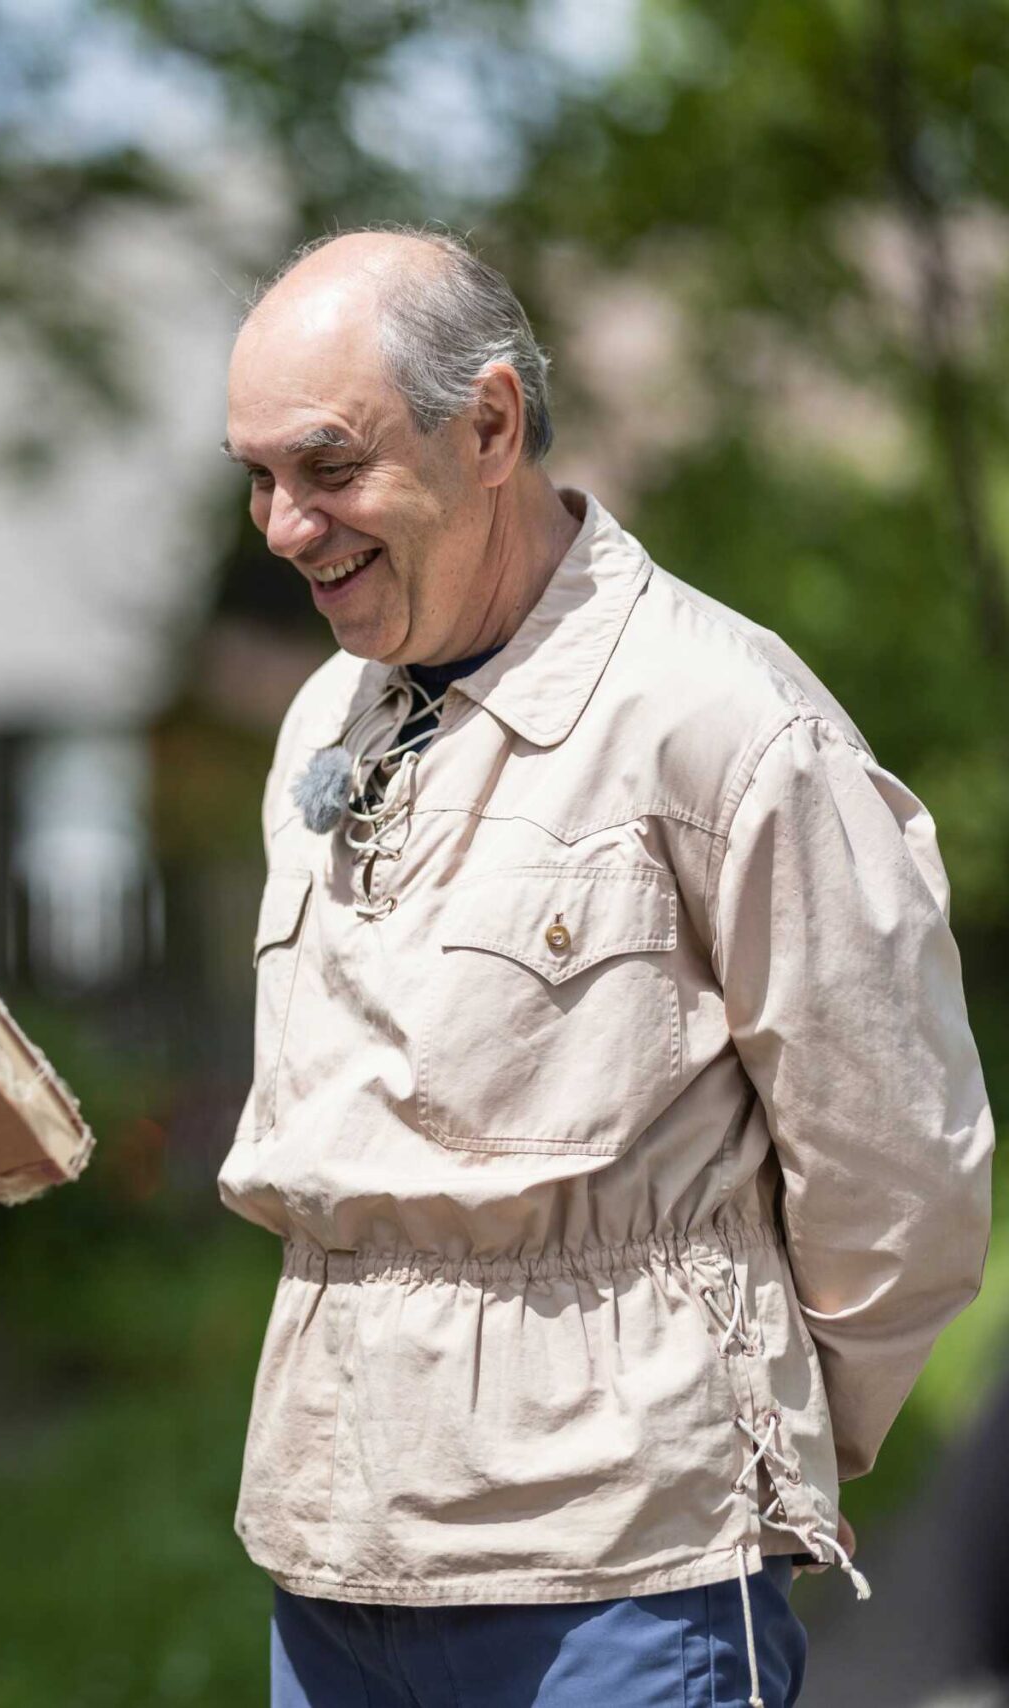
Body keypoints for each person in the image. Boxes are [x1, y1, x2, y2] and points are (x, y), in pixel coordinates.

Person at [218, 228, 993, 1708]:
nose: (281, 525)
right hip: (328, 1555)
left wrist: (743, 1439)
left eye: (327, 468)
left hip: (627, 1579)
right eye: (256, 477)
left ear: (491, 425)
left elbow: (903, 1174)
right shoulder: (321, 720)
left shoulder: (723, 719)